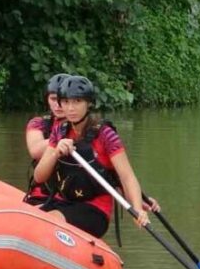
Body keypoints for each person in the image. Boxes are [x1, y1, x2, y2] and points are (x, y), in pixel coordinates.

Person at [32, 75, 159, 238]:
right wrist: (55, 152)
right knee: (31, 216)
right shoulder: (59, 131)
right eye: (66, 102)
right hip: (65, 201)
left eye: (77, 101)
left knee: (51, 219)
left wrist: (138, 208)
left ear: (89, 103)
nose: (71, 108)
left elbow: (127, 177)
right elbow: (39, 177)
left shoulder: (106, 135)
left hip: (96, 209)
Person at [23, 73, 71, 205]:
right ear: (47, 100)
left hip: (73, 194)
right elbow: (35, 150)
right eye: (53, 99)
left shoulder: (84, 127)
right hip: (43, 193)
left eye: (63, 99)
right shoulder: (38, 123)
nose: (58, 104)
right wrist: (63, 134)